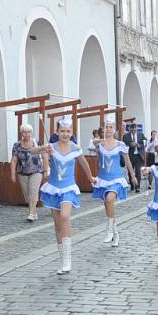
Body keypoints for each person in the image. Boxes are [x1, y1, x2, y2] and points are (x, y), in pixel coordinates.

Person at [40, 117, 95, 274]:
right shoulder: (52, 146)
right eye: (62, 131)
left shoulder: (75, 148)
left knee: (65, 217)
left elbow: (84, 163)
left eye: (68, 131)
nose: (65, 134)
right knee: (58, 224)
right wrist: (44, 149)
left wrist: (91, 177)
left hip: (69, 187)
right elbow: (32, 151)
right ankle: (62, 259)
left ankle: (68, 259)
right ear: (57, 132)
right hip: (53, 187)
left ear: (71, 132)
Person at [93, 114, 137, 246]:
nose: (108, 130)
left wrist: (133, 175)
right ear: (103, 129)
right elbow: (94, 147)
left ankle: (109, 229)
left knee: (109, 200)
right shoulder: (99, 144)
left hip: (117, 178)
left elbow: (127, 161)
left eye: (111, 127)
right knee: (107, 204)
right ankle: (115, 233)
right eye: (106, 127)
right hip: (103, 178)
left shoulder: (120, 144)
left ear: (114, 130)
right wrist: (97, 142)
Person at [10, 123, 50, 222]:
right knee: (27, 195)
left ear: (31, 133)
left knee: (33, 190)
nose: (26, 134)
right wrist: (12, 174)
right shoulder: (17, 145)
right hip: (22, 172)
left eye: (28, 132)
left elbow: (45, 156)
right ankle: (34, 212)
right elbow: (14, 160)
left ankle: (31, 213)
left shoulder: (37, 142)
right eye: (24, 132)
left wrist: (45, 170)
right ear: (21, 133)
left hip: (36, 170)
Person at [122, 119, 147, 192]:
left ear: (137, 129)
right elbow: (123, 146)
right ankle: (132, 185)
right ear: (129, 129)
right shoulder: (125, 136)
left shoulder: (141, 134)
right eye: (132, 130)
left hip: (138, 156)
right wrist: (130, 145)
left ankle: (137, 186)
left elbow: (145, 143)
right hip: (130, 156)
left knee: (138, 171)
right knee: (130, 172)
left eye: (135, 130)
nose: (133, 132)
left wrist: (138, 145)